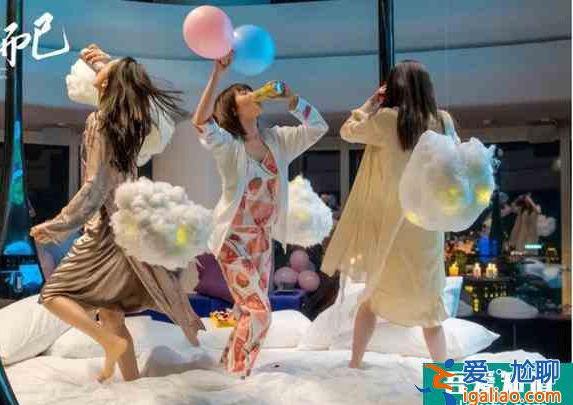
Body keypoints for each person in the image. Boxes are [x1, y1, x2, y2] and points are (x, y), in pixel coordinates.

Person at [31, 45, 203, 383]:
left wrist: (58, 225)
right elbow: (120, 80)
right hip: (127, 225)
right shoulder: (130, 122)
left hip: (107, 226)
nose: (97, 76)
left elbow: (96, 185)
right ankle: (131, 383)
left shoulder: (100, 121)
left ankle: (108, 343)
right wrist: (103, 62)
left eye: (105, 74)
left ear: (111, 85)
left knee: (52, 295)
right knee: (111, 313)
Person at [192, 51, 328, 378]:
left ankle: (227, 371)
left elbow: (318, 127)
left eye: (249, 89)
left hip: (262, 242)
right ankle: (238, 375)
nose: (251, 94)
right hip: (233, 241)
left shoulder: (277, 140)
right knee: (260, 312)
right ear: (233, 108)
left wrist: (293, 100)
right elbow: (201, 122)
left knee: (246, 311)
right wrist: (217, 75)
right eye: (242, 92)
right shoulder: (227, 145)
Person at [322, 60, 455, 368]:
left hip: (391, 225)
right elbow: (454, 162)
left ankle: (355, 363)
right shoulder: (443, 121)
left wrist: (370, 103)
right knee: (430, 308)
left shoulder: (386, 119)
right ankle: (444, 374)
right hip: (427, 225)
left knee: (372, 298)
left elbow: (347, 131)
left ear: (394, 87)